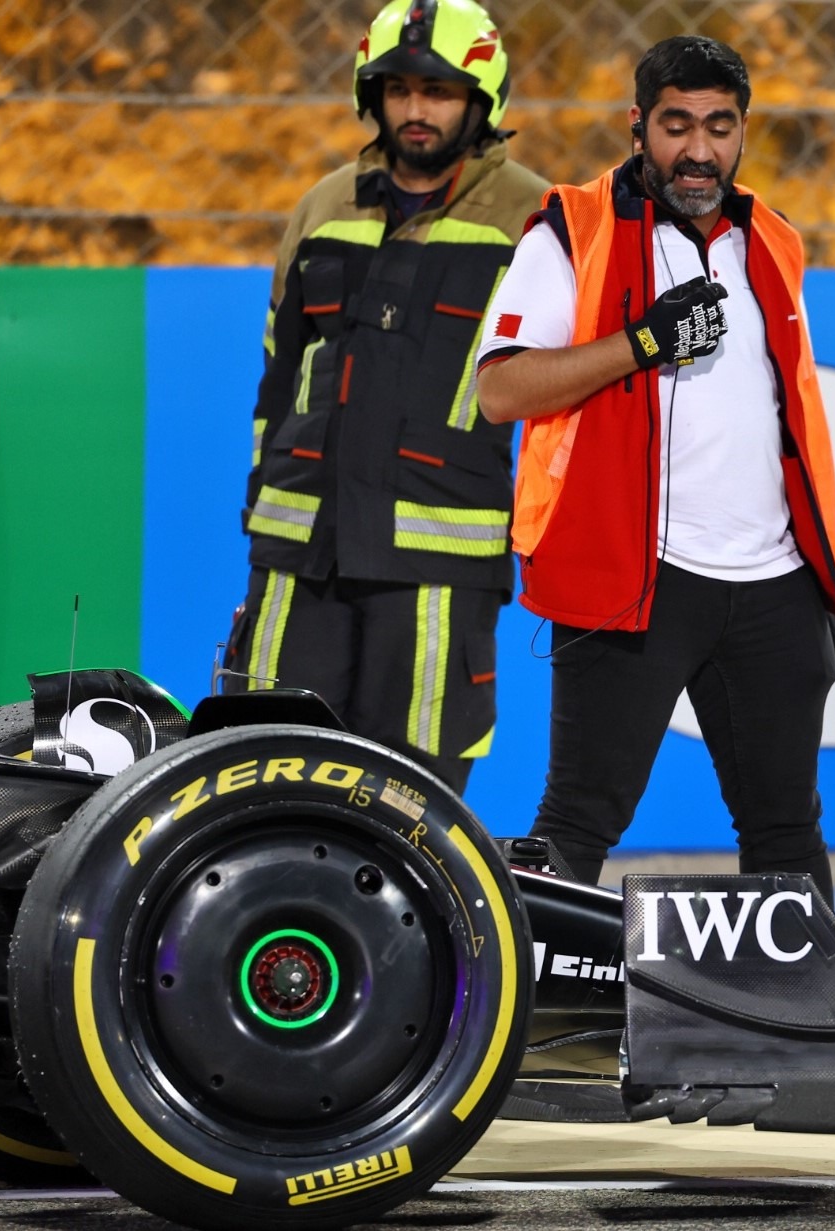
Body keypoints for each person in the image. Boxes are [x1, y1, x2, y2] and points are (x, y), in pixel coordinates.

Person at [474, 35, 835, 901]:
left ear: (743, 132)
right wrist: (642, 342)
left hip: (775, 580)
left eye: (720, 127)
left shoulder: (773, 239)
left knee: (786, 825)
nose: (699, 149)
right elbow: (501, 392)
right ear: (638, 127)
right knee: (577, 819)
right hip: (633, 575)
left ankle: (811, 1030)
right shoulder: (572, 228)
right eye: (677, 124)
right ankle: (509, 1022)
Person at [221, 0, 549, 794]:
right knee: (264, 778)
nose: (416, 110)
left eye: (438, 92)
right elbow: (280, 374)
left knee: (414, 801)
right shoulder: (323, 206)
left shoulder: (535, 219)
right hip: (301, 557)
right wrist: (264, 516)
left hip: (438, 566)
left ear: (483, 100)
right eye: (398, 89)